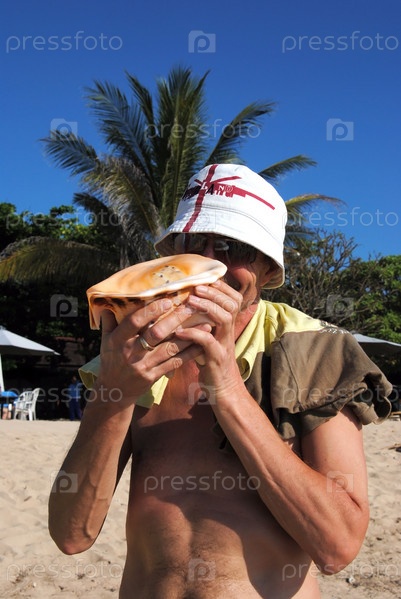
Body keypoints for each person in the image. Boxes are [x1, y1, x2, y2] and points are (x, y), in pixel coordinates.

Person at [49, 164, 392, 598]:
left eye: (234, 247)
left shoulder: (316, 350)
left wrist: (228, 389)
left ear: (268, 270)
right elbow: (71, 534)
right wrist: (112, 397)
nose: (211, 261)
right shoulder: (135, 350)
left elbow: (336, 547)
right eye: (194, 243)